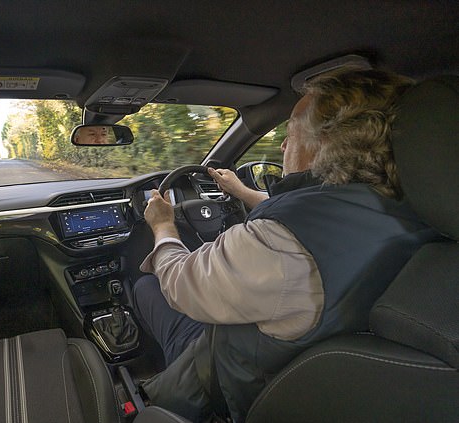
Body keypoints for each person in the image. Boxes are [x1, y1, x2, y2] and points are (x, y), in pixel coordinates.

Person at [133, 67, 443, 422]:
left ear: (324, 143)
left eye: (290, 133)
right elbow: (315, 216)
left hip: (234, 382)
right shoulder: (420, 211)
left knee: (148, 286)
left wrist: (162, 227)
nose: (282, 145)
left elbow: (181, 284)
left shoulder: (280, 243)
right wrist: (241, 192)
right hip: (317, 379)